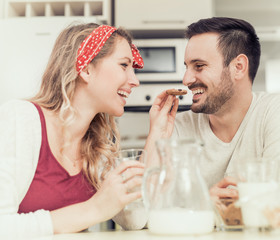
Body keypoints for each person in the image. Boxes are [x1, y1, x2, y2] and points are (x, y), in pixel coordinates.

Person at [0, 22, 177, 238]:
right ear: (85, 69)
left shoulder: (97, 146)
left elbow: (135, 219)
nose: (135, 81)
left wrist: (156, 135)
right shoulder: (19, 120)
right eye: (124, 65)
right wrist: (94, 209)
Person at [171, 17, 280, 199]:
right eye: (187, 67)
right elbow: (136, 219)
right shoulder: (179, 126)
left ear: (238, 67)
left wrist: (194, 205)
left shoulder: (275, 110)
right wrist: (156, 132)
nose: (186, 79)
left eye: (199, 66)